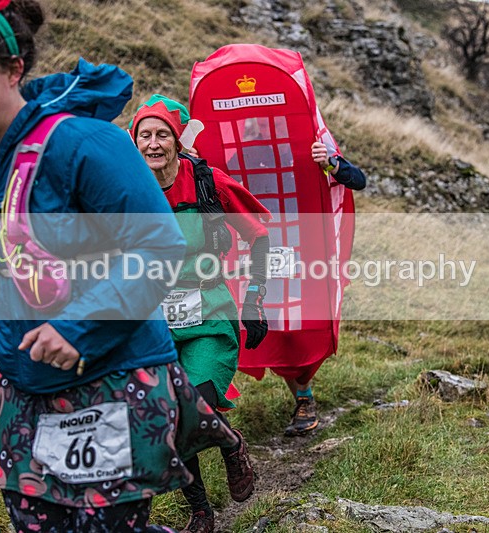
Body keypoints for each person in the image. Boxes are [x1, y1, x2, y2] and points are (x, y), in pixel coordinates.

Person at [0, 1, 236, 531]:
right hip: (23, 380)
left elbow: (157, 246)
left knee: (107, 526)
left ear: (13, 69)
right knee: (36, 523)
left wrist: (78, 326)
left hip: (112, 374)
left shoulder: (87, 145)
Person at [131, 95, 270, 533]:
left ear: (178, 141)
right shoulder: (126, 188)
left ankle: (230, 443)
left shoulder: (207, 182)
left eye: (162, 135)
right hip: (153, 326)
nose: (153, 144)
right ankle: (201, 511)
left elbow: (260, 235)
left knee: (193, 406)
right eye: (144, 135)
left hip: (209, 314)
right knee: (167, 415)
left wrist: (255, 298)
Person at [281, 142, 366, 436]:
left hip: (310, 251)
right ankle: (302, 398)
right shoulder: (249, 146)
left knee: (303, 329)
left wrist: (331, 163)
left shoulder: (314, 143)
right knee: (279, 330)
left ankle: (304, 397)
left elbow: (358, 180)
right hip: (271, 250)